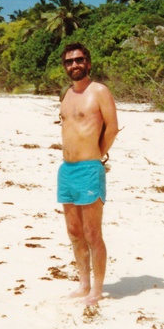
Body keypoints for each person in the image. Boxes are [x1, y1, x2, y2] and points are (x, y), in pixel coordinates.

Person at [57, 42, 119, 306]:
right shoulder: (67, 94)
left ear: (89, 63)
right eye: (70, 61)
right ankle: (83, 284)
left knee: (93, 233)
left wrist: (97, 155)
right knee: (74, 232)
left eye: (79, 60)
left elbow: (113, 128)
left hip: (89, 169)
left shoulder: (100, 91)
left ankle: (97, 290)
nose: (75, 65)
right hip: (66, 170)